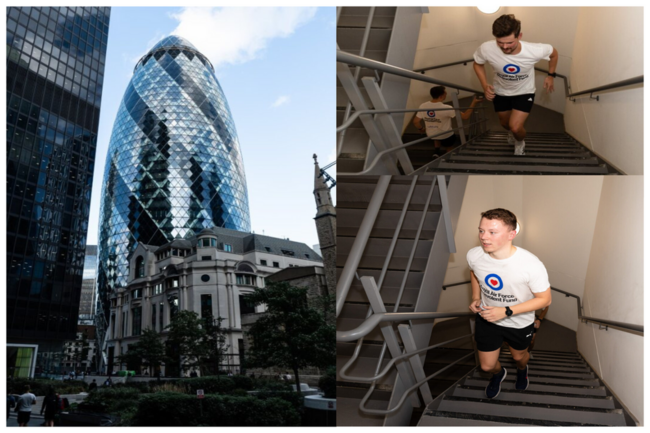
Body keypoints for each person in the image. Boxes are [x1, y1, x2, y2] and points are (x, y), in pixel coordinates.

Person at [467, 208, 552, 398]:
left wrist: (505, 311)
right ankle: (499, 374)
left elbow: (545, 299)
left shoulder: (530, 265)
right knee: (487, 365)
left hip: (519, 322)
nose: (484, 237)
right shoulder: (474, 255)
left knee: (518, 357)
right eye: (481, 230)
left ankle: (522, 370)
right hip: (487, 318)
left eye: (492, 232)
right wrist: (475, 297)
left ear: (511, 234)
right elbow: (474, 271)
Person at [473, 14, 559, 155]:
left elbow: (554, 54)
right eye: (500, 42)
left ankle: (519, 141)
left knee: (515, 127)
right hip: (500, 91)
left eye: (509, 43)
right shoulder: (486, 48)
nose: (505, 47)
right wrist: (484, 85)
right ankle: (512, 134)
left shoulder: (535, 50)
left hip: (524, 91)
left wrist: (551, 75)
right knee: (505, 124)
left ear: (519, 36)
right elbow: (477, 64)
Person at [413, 86, 481, 156]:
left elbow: (416, 122)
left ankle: (436, 151)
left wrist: (421, 129)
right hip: (445, 135)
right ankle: (449, 156)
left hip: (431, 134)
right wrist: (474, 103)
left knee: (436, 134)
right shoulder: (447, 108)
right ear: (441, 96)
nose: (446, 94)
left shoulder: (423, 105)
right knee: (448, 146)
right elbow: (465, 116)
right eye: (445, 93)